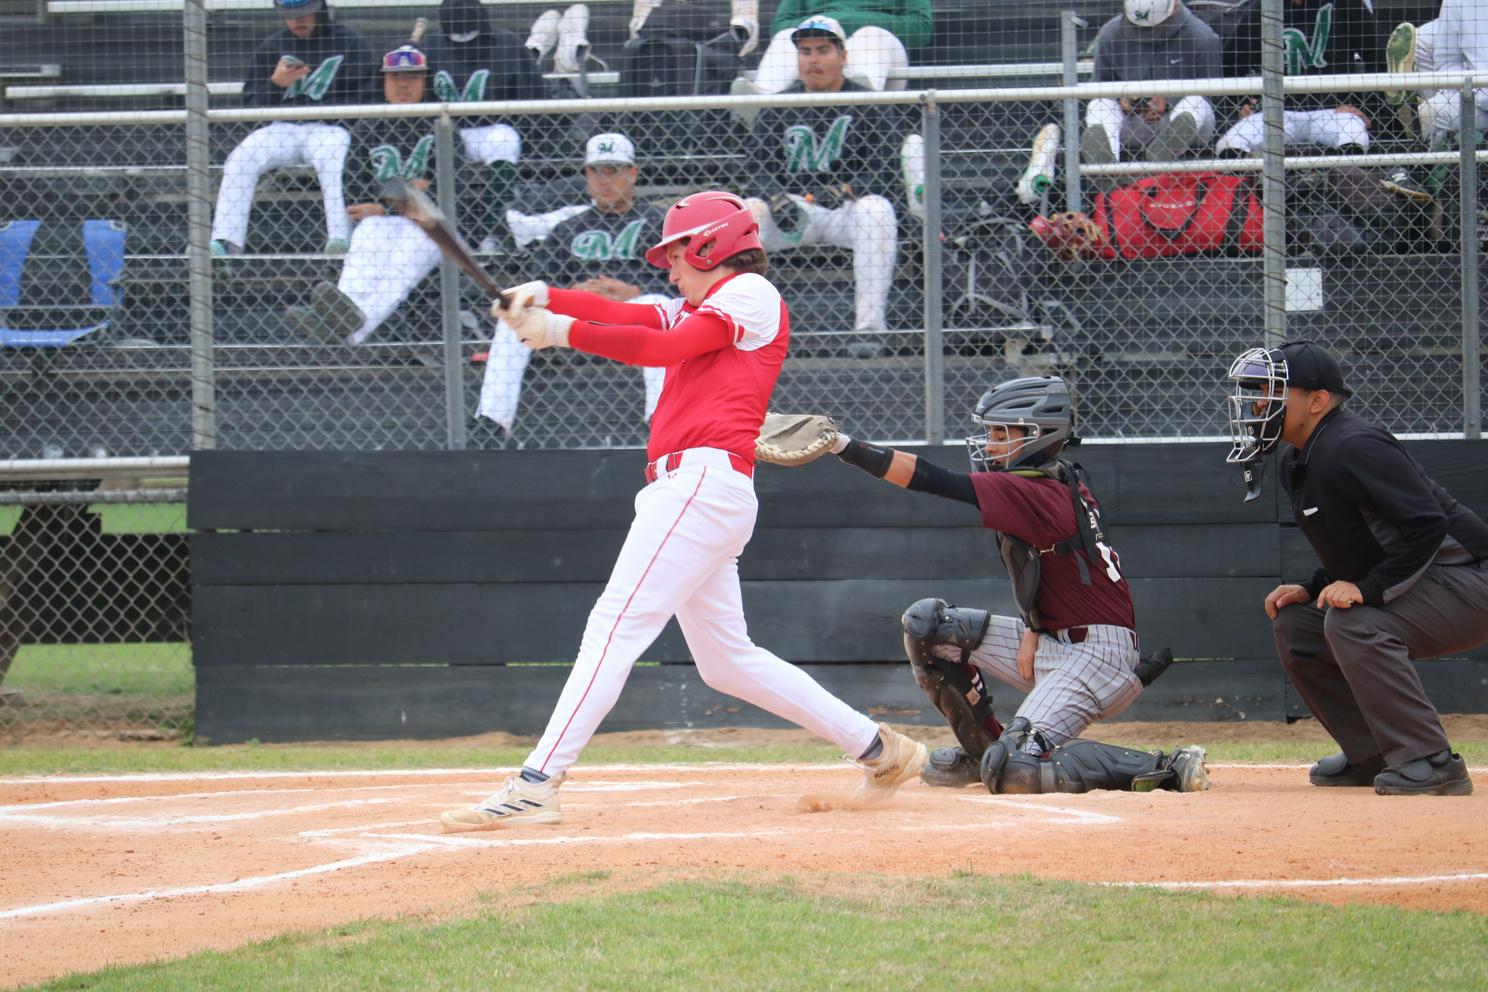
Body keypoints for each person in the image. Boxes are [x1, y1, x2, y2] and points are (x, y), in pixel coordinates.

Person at [440, 190, 929, 831]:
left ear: (709, 246)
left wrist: (559, 332)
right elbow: (628, 315)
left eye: (675, 256)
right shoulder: (699, 304)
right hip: (696, 491)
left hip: (699, 486)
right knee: (727, 661)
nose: (669, 270)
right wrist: (547, 296)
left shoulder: (749, 293)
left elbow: (660, 349)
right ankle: (880, 750)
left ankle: (537, 783)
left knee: (613, 627)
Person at [821, 376, 1210, 795]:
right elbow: (1049, 571)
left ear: (1038, 435)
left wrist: (842, 446)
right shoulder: (1058, 478)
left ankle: (1165, 767)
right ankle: (983, 752)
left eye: (1002, 435)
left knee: (1015, 770)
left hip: (1096, 659)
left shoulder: (1034, 490)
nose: (990, 446)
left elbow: (929, 478)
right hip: (1061, 643)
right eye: (991, 434)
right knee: (930, 627)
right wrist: (1033, 627)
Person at [1225, 341, 1488, 796]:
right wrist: (1314, 587)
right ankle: (1373, 754)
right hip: (1431, 581)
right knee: (1296, 625)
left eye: (1272, 391)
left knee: (1353, 623)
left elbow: (1428, 524)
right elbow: (1359, 550)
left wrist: (1370, 590)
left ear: (1317, 400)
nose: (1260, 403)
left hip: (1472, 579)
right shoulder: (1298, 459)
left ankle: (1430, 760)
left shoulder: (1354, 445)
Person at [478, 133, 668, 435]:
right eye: (597, 171)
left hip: (634, 309)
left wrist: (635, 289)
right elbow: (540, 281)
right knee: (513, 320)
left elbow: (681, 281)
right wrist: (572, 293)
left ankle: (661, 420)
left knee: (658, 305)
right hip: (581, 312)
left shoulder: (660, 223)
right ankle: (491, 422)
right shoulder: (567, 228)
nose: (605, 180)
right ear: (586, 175)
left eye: (613, 170)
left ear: (633, 173)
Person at [740, 16, 902, 359]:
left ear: (843, 56)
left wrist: (849, 189)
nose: (813, 59)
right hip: (797, 211)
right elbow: (755, 169)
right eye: (806, 51)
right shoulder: (778, 105)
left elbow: (886, 169)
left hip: (848, 211)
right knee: (748, 213)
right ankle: (743, 330)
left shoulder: (869, 102)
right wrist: (775, 198)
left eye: (823, 50)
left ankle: (869, 329)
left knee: (878, 210)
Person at [284, 46, 457, 345]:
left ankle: (347, 336)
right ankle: (334, 323)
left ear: (425, 81)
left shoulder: (442, 125)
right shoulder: (368, 127)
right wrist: (407, 195)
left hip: (434, 227)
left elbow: (453, 192)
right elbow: (354, 189)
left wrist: (384, 204)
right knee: (364, 247)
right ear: (383, 82)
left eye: (412, 77)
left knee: (398, 269)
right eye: (395, 78)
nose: (403, 85)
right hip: (386, 220)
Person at [209, 0, 375, 259]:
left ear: (319, 8)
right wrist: (275, 85)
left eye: (304, 13)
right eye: (290, 15)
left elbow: (366, 98)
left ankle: (341, 240)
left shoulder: (350, 42)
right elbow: (251, 108)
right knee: (241, 158)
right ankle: (225, 243)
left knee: (336, 157)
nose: (297, 21)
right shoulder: (272, 46)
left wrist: (324, 111)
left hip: (330, 127)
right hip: (282, 126)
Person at [427, 0, 545, 254]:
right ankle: (454, 234)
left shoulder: (506, 44)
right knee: (437, 145)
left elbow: (533, 96)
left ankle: (493, 230)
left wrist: (521, 131)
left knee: (504, 139)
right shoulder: (430, 46)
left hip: (491, 127)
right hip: (446, 130)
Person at [1215, 0, 1387, 158]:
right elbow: (1231, 62)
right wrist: (1243, 102)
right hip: (1276, 112)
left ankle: (1336, 180)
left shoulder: (1344, 3)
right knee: (1229, 145)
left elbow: (1378, 56)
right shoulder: (1265, 7)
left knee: (1354, 139)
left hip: (1334, 111)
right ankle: (1255, 182)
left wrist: (1366, 109)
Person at [1080, 0, 1221, 190]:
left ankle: (1159, 162)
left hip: (1184, 124)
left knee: (1196, 102)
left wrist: (1169, 101)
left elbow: (1215, 98)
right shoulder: (1110, 32)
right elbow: (1100, 87)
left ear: (1174, 8)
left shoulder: (1202, 36)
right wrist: (1123, 99)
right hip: (1134, 122)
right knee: (1099, 104)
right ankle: (1109, 174)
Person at [1380, 3, 1488, 203]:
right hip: (1478, 99)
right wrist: (1470, 91)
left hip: (1479, 96)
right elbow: (1447, 63)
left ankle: (1418, 168)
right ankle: (1427, 179)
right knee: (1434, 110)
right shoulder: (1456, 3)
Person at [730, 0, 931, 94]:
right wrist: (822, 26)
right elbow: (779, 25)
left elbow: (921, 27)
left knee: (870, 35)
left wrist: (841, 22)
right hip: (822, 42)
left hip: (881, 53)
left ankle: (861, 103)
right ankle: (762, 102)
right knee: (785, 37)